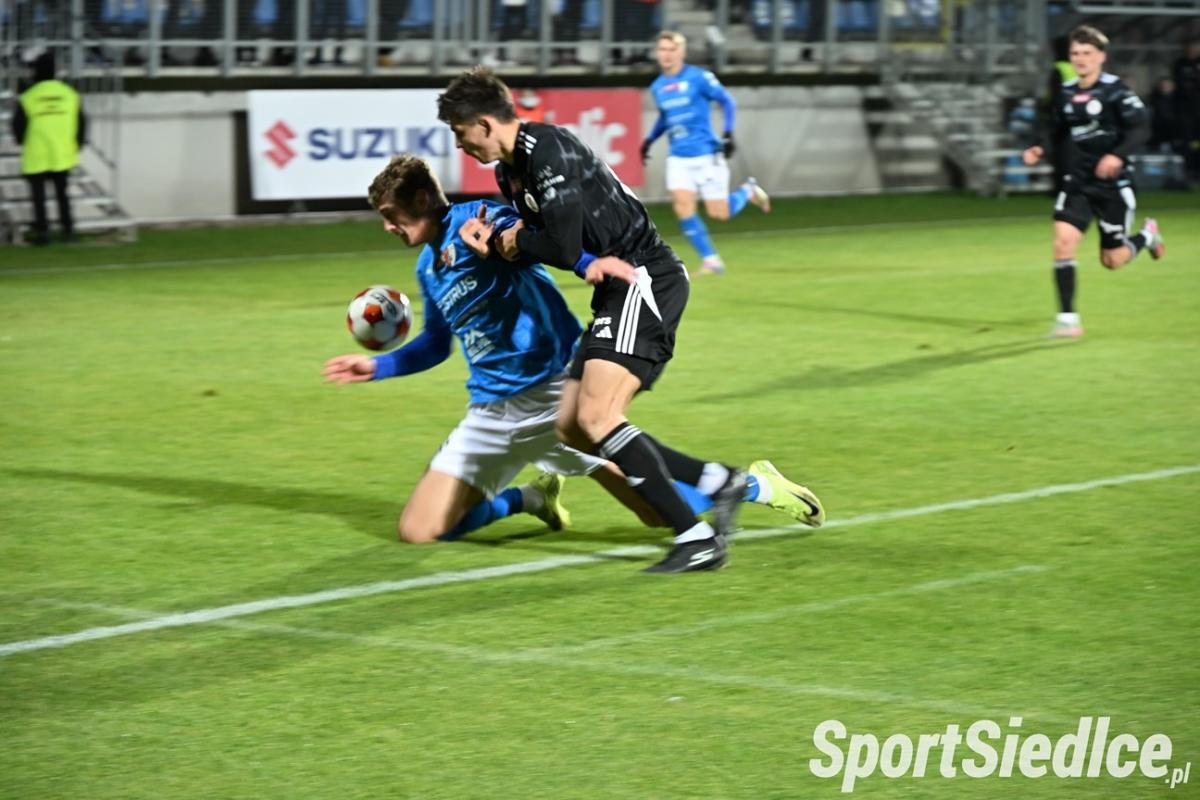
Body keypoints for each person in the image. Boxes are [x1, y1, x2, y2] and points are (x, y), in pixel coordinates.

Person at [324, 154, 825, 546]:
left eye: (390, 216)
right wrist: (378, 365)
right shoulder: (427, 268)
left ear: (420, 198)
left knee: (656, 514)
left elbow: (537, 239)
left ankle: (756, 484)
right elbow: (437, 344)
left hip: (553, 396)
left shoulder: (480, 219)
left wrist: (586, 262)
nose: (387, 227)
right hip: (491, 414)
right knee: (419, 530)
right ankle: (530, 499)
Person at [437, 67, 824, 572]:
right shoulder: (509, 174)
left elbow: (561, 246)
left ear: (485, 123)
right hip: (616, 289)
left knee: (598, 417)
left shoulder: (548, 151)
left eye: (460, 132)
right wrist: (496, 243)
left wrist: (514, 241)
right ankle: (731, 483)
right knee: (572, 426)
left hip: (645, 277)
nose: (459, 144)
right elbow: (545, 246)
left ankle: (697, 539)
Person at [1021, 25, 1165, 340]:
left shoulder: (1117, 91)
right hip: (1079, 181)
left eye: (1087, 53)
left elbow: (1141, 129)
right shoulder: (1066, 92)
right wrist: (1039, 147)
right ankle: (1067, 320)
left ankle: (1147, 235)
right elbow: (1055, 128)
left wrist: (1116, 155)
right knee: (1062, 242)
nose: (1081, 59)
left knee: (1112, 260)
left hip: (1114, 184)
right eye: (1076, 53)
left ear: (1101, 56)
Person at [640, 31, 771, 276]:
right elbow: (665, 118)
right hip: (678, 157)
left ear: (682, 52)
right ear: (657, 53)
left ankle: (748, 191)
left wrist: (728, 133)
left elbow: (727, 101)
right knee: (682, 207)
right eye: (663, 49)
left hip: (706, 154)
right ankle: (711, 260)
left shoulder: (699, 78)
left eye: (672, 50)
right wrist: (649, 140)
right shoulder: (658, 86)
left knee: (719, 212)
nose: (667, 55)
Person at [11, 50, 85, 246]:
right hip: (62, 152)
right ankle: (69, 231)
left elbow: (18, 125)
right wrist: (77, 143)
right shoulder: (69, 94)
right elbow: (81, 122)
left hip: (37, 153)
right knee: (63, 195)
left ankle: (44, 233)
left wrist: (21, 141)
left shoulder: (29, 96)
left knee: (39, 197)